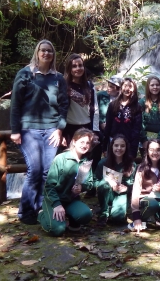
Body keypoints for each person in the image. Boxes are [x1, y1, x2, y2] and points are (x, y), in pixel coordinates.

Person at [10, 39, 69, 225]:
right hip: (29, 129)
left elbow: (64, 105)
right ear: (37, 53)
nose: (46, 54)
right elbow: (15, 104)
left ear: (53, 55)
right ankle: (27, 212)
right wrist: (15, 131)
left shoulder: (58, 78)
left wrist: (60, 129)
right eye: (43, 50)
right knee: (34, 170)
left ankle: (44, 208)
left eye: (49, 51)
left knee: (47, 172)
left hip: (51, 129)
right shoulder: (25, 74)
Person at [38, 128, 94, 236]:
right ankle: (41, 214)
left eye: (87, 143)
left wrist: (82, 188)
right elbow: (48, 186)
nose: (84, 145)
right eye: (81, 142)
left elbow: (90, 182)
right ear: (74, 141)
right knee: (57, 230)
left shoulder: (86, 162)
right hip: (54, 199)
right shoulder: (61, 159)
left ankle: (71, 218)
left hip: (71, 200)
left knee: (86, 215)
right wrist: (57, 205)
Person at [93, 135, 135, 226]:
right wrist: (107, 180)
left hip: (121, 194)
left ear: (126, 147)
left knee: (118, 218)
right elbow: (94, 182)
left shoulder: (131, 164)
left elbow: (136, 185)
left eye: (122, 146)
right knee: (104, 184)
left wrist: (127, 188)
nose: (119, 148)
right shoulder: (103, 163)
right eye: (116, 145)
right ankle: (104, 213)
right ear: (111, 146)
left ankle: (115, 210)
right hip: (106, 192)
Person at [62, 53, 100, 149]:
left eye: (80, 65)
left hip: (86, 127)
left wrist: (95, 131)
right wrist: (61, 133)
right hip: (69, 129)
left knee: (85, 160)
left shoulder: (90, 86)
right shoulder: (63, 86)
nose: (78, 68)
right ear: (69, 68)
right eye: (74, 66)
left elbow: (95, 110)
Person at [103, 77, 142, 158]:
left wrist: (133, 152)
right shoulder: (113, 105)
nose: (127, 89)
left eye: (130, 86)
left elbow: (136, 131)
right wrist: (104, 147)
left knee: (125, 168)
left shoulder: (137, 108)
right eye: (125, 86)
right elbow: (108, 126)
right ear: (121, 87)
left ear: (134, 89)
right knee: (111, 167)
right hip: (113, 142)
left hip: (128, 144)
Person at [140, 76, 160, 144]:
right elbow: (139, 122)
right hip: (144, 138)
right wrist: (144, 140)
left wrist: (159, 139)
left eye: (157, 85)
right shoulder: (142, 102)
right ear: (148, 87)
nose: (155, 87)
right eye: (152, 85)